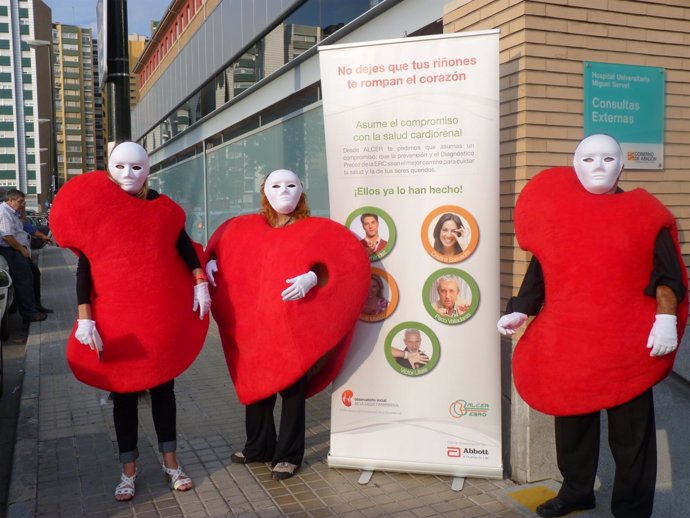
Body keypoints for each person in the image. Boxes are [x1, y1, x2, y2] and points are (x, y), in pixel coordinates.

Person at [497, 134, 687, 518]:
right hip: (572, 343)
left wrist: (666, 318)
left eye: (607, 158)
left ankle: (632, 509)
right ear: (574, 164)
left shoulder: (645, 213)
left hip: (627, 347)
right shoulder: (560, 213)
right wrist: (521, 309)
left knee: (631, 435)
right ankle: (576, 491)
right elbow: (542, 270)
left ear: (622, 165)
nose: (598, 166)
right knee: (572, 426)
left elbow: (669, 274)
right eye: (587, 159)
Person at [49, 142, 211, 502]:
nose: (128, 175)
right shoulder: (100, 211)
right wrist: (84, 318)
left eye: (136, 167)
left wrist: (200, 283)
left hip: (158, 322)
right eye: (120, 167)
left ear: (148, 170)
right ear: (109, 169)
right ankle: (128, 472)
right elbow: (84, 269)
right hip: (117, 322)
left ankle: (172, 465)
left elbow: (184, 248)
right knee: (123, 397)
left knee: (164, 392)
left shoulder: (165, 210)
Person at [205, 168, 369, 481]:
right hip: (255, 325)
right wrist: (212, 261)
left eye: (291, 185)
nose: (284, 191)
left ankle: (288, 456)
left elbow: (342, 261)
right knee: (256, 389)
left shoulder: (314, 229)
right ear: (265, 192)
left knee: (292, 392)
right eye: (276, 185)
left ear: (301, 191)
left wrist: (312, 277)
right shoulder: (247, 228)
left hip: (294, 327)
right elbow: (224, 250)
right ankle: (258, 447)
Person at [0, 189, 50, 322]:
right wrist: (21, 249)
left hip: (19, 248)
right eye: (20, 202)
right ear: (10, 200)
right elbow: (7, 237)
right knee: (24, 281)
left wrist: (22, 208)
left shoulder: (13, 212)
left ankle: (36, 306)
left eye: (24, 202)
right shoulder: (4, 213)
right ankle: (29, 314)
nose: (22, 204)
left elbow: (23, 225)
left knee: (34, 274)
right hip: (11, 249)